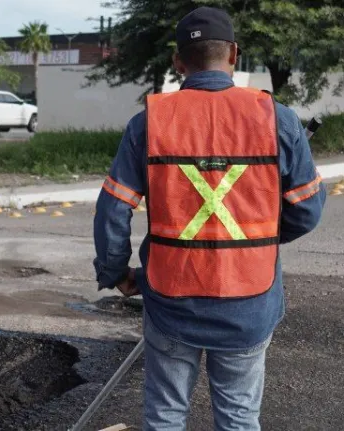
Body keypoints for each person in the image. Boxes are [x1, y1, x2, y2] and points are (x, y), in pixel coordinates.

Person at [93, 7, 325, 430]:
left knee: (164, 416)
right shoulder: (279, 119)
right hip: (249, 303)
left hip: (169, 300)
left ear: (178, 60)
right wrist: (259, 242)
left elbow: (113, 208)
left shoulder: (150, 122)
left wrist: (114, 272)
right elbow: (307, 211)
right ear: (234, 54)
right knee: (238, 418)